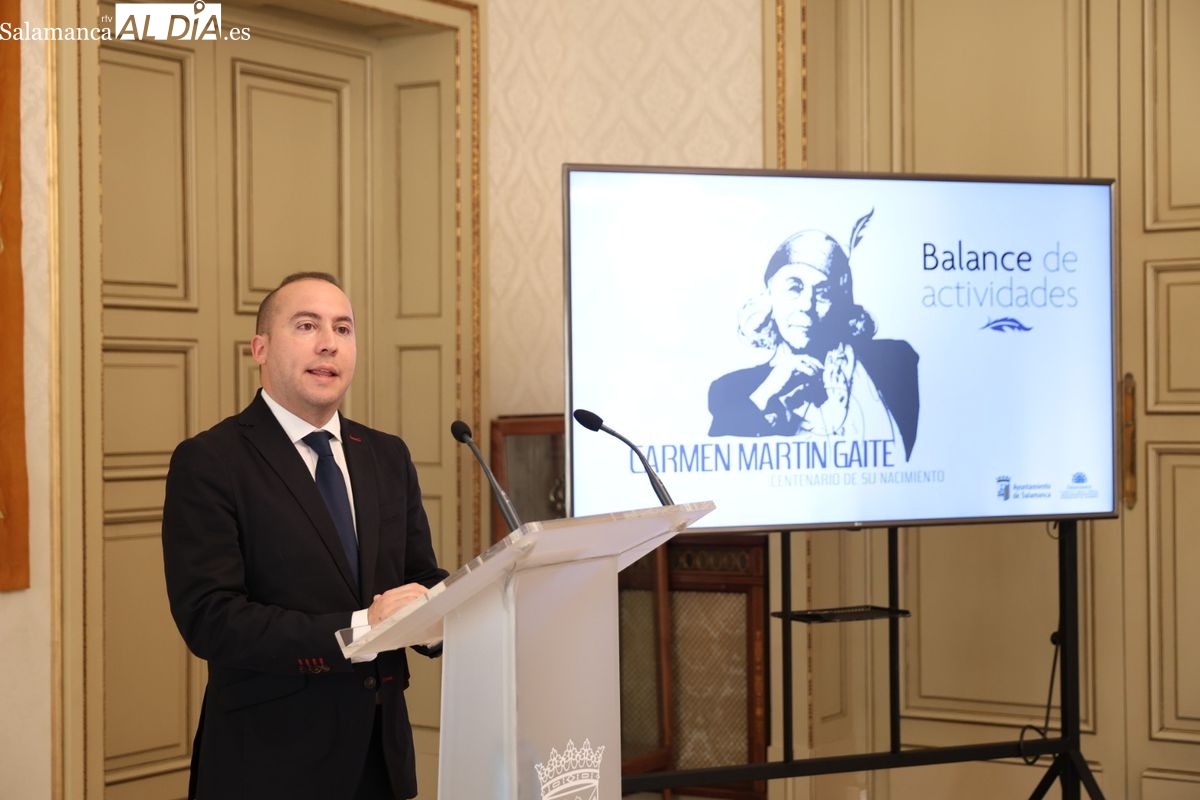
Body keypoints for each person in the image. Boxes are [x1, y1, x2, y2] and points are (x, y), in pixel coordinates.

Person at [162, 272, 448, 800]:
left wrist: (444, 616)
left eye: (343, 328)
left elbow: (419, 576)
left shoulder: (386, 454)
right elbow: (212, 619)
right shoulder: (210, 461)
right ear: (260, 348)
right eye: (307, 325)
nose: (328, 343)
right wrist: (360, 629)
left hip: (380, 757)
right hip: (268, 763)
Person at [708, 228, 920, 459]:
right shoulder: (732, 389)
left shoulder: (893, 361)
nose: (806, 305)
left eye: (823, 293)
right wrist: (768, 391)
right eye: (794, 288)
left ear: (841, 304)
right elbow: (722, 453)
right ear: (769, 296)